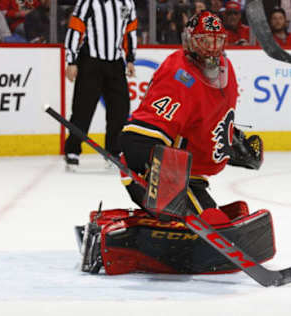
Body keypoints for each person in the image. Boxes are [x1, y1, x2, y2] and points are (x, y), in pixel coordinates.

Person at [78, 10, 272, 275]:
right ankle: (115, 238)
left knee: (219, 221)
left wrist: (232, 143)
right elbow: (137, 139)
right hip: (155, 175)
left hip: (191, 177)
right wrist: (162, 180)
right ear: (190, 41)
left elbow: (204, 121)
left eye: (217, 40)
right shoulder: (179, 73)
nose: (212, 47)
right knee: (212, 224)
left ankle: (146, 225)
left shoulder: (226, 70)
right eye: (204, 40)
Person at [63, 0, 137, 170]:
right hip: (91, 61)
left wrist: (131, 58)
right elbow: (75, 28)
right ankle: (72, 151)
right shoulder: (88, 2)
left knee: (120, 110)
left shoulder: (127, 3)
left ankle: (113, 151)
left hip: (116, 63)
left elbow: (130, 31)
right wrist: (71, 60)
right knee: (83, 109)